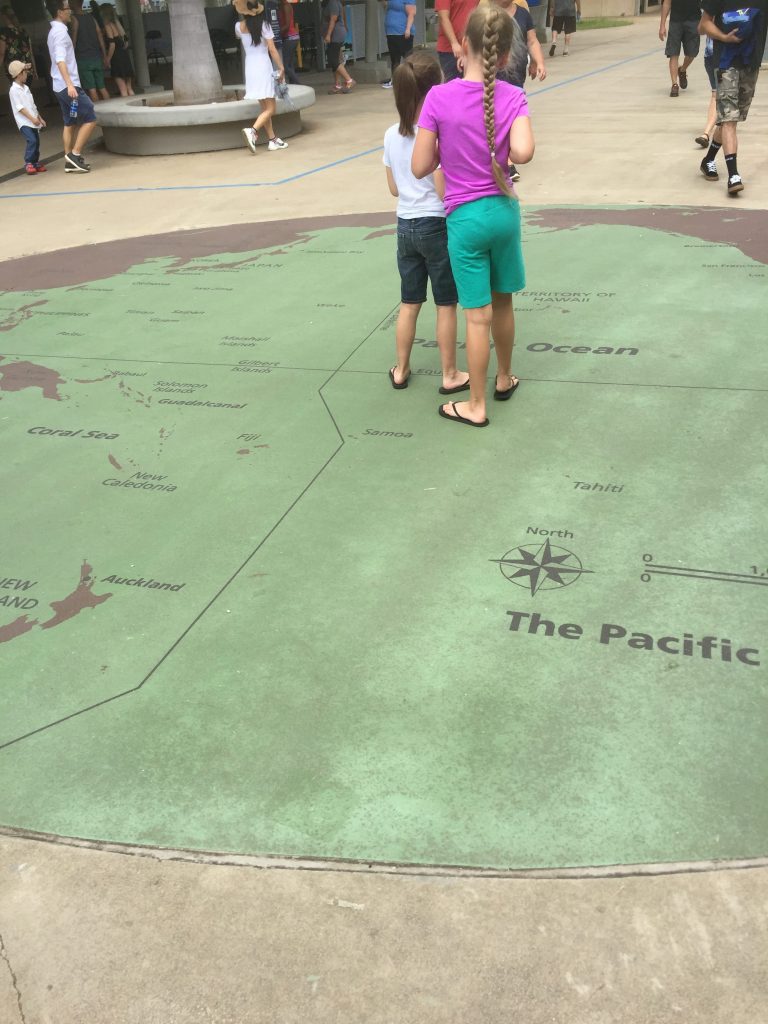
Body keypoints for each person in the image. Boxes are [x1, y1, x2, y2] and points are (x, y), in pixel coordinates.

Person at [413, 5, 534, 427]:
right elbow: (523, 152)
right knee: (503, 302)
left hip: (465, 219)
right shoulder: (513, 96)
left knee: (476, 316)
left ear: (462, 45)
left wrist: (446, 149)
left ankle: (476, 405)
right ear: (506, 56)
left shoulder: (438, 98)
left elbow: (419, 165)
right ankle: (504, 377)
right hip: (503, 213)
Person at [383, 52, 468, 394]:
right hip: (436, 224)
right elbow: (443, 189)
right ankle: (449, 373)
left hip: (405, 225)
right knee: (445, 303)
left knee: (409, 302)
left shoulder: (391, 134)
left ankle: (401, 369)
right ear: (434, 90)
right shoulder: (436, 133)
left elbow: (393, 188)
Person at [698, 0, 767, 195]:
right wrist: (723, 37)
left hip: (750, 64)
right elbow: (703, 25)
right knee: (729, 119)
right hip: (725, 62)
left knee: (731, 120)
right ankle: (733, 175)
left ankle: (708, 160)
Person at [494, 0, 546, 180]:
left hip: (516, 76)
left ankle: (505, 158)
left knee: (512, 117)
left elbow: (531, 41)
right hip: (494, 75)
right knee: (498, 117)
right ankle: (507, 161)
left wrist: (538, 62)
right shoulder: (487, 14)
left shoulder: (523, 14)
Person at [46, 0, 98, 173]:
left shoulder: (54, 31)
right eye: (67, 8)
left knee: (70, 122)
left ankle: (69, 160)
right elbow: (60, 60)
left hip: (60, 86)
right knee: (90, 116)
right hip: (68, 87)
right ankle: (75, 154)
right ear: (59, 12)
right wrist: (70, 85)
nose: (70, 11)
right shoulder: (60, 33)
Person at [235, 0, 288, 152]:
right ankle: (252, 131)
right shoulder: (265, 25)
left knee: (265, 108)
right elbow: (272, 49)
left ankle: (272, 140)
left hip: (250, 68)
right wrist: (281, 67)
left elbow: (245, 38)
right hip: (263, 66)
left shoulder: (238, 27)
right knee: (271, 108)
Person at [7, 59, 47, 175]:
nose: (26, 74)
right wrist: (32, 119)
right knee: (32, 140)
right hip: (24, 122)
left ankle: (35, 162)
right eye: (25, 72)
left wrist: (39, 117)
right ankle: (28, 162)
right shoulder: (13, 90)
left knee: (36, 141)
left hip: (33, 120)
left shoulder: (26, 88)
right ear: (19, 74)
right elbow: (20, 108)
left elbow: (32, 105)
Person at [70, 0, 110, 103]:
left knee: (92, 89)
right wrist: (105, 55)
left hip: (83, 59)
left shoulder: (74, 19)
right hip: (97, 57)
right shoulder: (92, 18)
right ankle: (111, 109)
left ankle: (98, 111)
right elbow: (100, 35)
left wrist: (70, 57)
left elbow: (74, 40)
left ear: (74, 3)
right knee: (102, 87)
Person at [659, 0, 701, 96]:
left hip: (694, 21)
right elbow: (667, 3)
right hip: (675, 22)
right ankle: (674, 85)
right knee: (673, 53)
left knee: (692, 53)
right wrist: (662, 25)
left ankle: (682, 70)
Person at [434, 0, 478, 81]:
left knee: (474, 83)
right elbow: (443, 18)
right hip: (450, 50)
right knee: (453, 84)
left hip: (472, 48)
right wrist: (454, 43)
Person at [99, 4, 134, 96]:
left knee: (123, 90)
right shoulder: (117, 24)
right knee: (129, 88)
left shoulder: (108, 26)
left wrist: (108, 59)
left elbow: (112, 44)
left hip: (117, 59)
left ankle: (126, 106)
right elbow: (126, 42)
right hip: (125, 56)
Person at [380, 0, 416, 89]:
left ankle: (411, 79)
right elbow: (386, 7)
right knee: (394, 59)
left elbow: (411, 13)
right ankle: (395, 81)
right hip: (391, 32)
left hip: (402, 32)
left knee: (407, 58)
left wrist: (408, 29)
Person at [321, 0, 355, 92]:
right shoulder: (329, 3)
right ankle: (337, 85)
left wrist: (328, 34)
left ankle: (349, 80)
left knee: (333, 60)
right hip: (334, 35)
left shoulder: (333, 3)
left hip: (335, 35)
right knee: (336, 60)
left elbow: (334, 18)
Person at [0, 5, 37, 77]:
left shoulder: (3, 33)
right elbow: (31, 53)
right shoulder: (23, 31)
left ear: (3, 16)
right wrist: (35, 71)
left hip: (15, 70)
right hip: (28, 68)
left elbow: (1, 53)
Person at [695, 36, 717, 147]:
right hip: (716, 56)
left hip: (711, 55)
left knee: (716, 94)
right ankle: (706, 133)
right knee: (717, 94)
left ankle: (707, 132)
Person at [278, 0, 300, 84]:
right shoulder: (283, 5)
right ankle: (294, 85)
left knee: (285, 66)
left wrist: (276, 33)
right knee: (290, 65)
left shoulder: (286, 6)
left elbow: (287, 26)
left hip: (290, 37)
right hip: (291, 37)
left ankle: (299, 85)